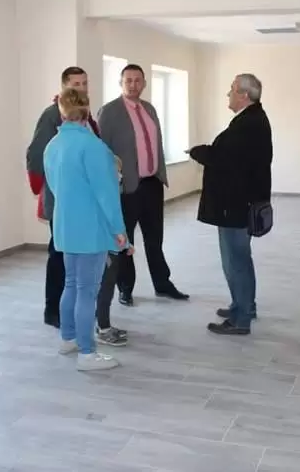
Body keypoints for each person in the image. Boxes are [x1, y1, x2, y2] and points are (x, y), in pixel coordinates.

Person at [44, 88, 129, 371]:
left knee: (71, 284)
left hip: (65, 226)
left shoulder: (53, 145)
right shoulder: (94, 147)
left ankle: (68, 338)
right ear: (87, 111)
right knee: (87, 290)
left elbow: (54, 187)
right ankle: (87, 353)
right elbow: (107, 195)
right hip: (91, 229)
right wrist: (119, 231)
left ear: (62, 112)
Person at [188, 74, 273, 336]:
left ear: (244, 95)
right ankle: (243, 305)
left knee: (236, 261)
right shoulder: (252, 119)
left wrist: (199, 152)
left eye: (232, 90)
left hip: (235, 205)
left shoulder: (249, 124)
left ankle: (241, 319)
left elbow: (225, 158)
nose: (228, 94)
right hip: (239, 203)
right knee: (240, 259)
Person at [98, 63, 188, 306]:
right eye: (128, 80)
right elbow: (102, 151)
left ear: (144, 83)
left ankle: (163, 284)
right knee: (125, 241)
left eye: (137, 80)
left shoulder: (149, 109)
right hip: (126, 188)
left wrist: (160, 174)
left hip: (152, 183)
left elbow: (156, 144)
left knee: (155, 238)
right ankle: (125, 288)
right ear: (121, 83)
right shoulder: (109, 112)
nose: (133, 85)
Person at [26, 67, 94, 328]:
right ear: (64, 86)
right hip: (62, 200)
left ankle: (72, 305)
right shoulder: (52, 115)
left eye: (84, 83)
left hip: (82, 201)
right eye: (76, 84)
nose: (81, 88)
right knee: (59, 254)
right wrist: (52, 186)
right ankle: (52, 309)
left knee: (74, 256)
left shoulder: (86, 115)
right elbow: (36, 155)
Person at [95, 154, 131, 347]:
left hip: (112, 247)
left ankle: (103, 325)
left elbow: (119, 223)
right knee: (105, 289)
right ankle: (103, 328)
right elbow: (112, 222)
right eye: (116, 172)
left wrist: (127, 243)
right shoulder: (105, 195)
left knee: (105, 289)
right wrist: (124, 243)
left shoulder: (110, 192)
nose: (120, 176)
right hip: (106, 249)